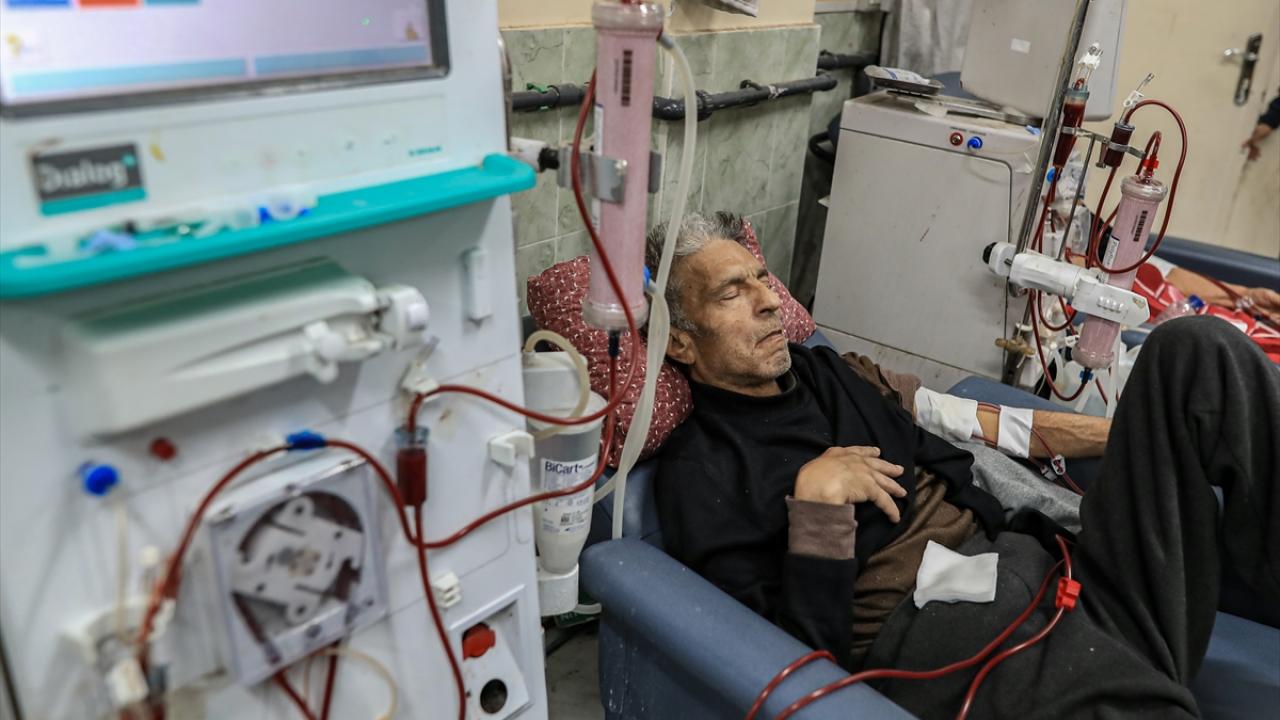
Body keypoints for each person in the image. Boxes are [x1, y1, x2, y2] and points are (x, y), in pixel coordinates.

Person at [647, 212, 1279, 718]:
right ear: (680, 341)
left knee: (1196, 352)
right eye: (732, 293)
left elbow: (949, 441)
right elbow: (787, 657)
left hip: (1057, 571)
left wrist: (1115, 453)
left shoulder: (831, 373)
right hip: (955, 631)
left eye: (762, 279)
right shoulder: (700, 470)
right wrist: (818, 509)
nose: (767, 302)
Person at [1242, 91, 1280, 161]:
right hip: (1268, 121)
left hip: (1268, 121)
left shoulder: (1276, 101)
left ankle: (1250, 146)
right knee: (1261, 132)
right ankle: (1249, 146)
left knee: (1260, 133)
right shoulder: (1276, 101)